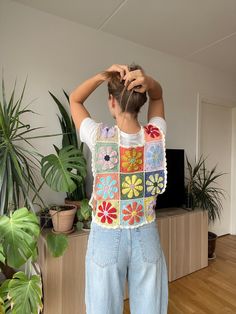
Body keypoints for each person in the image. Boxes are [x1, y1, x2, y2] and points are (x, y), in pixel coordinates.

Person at [70, 63, 168, 314]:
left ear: (111, 102)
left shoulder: (98, 135)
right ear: (141, 100)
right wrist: (150, 82)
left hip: (106, 234)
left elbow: (75, 100)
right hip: (146, 233)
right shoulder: (156, 135)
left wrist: (103, 75)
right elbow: (158, 94)